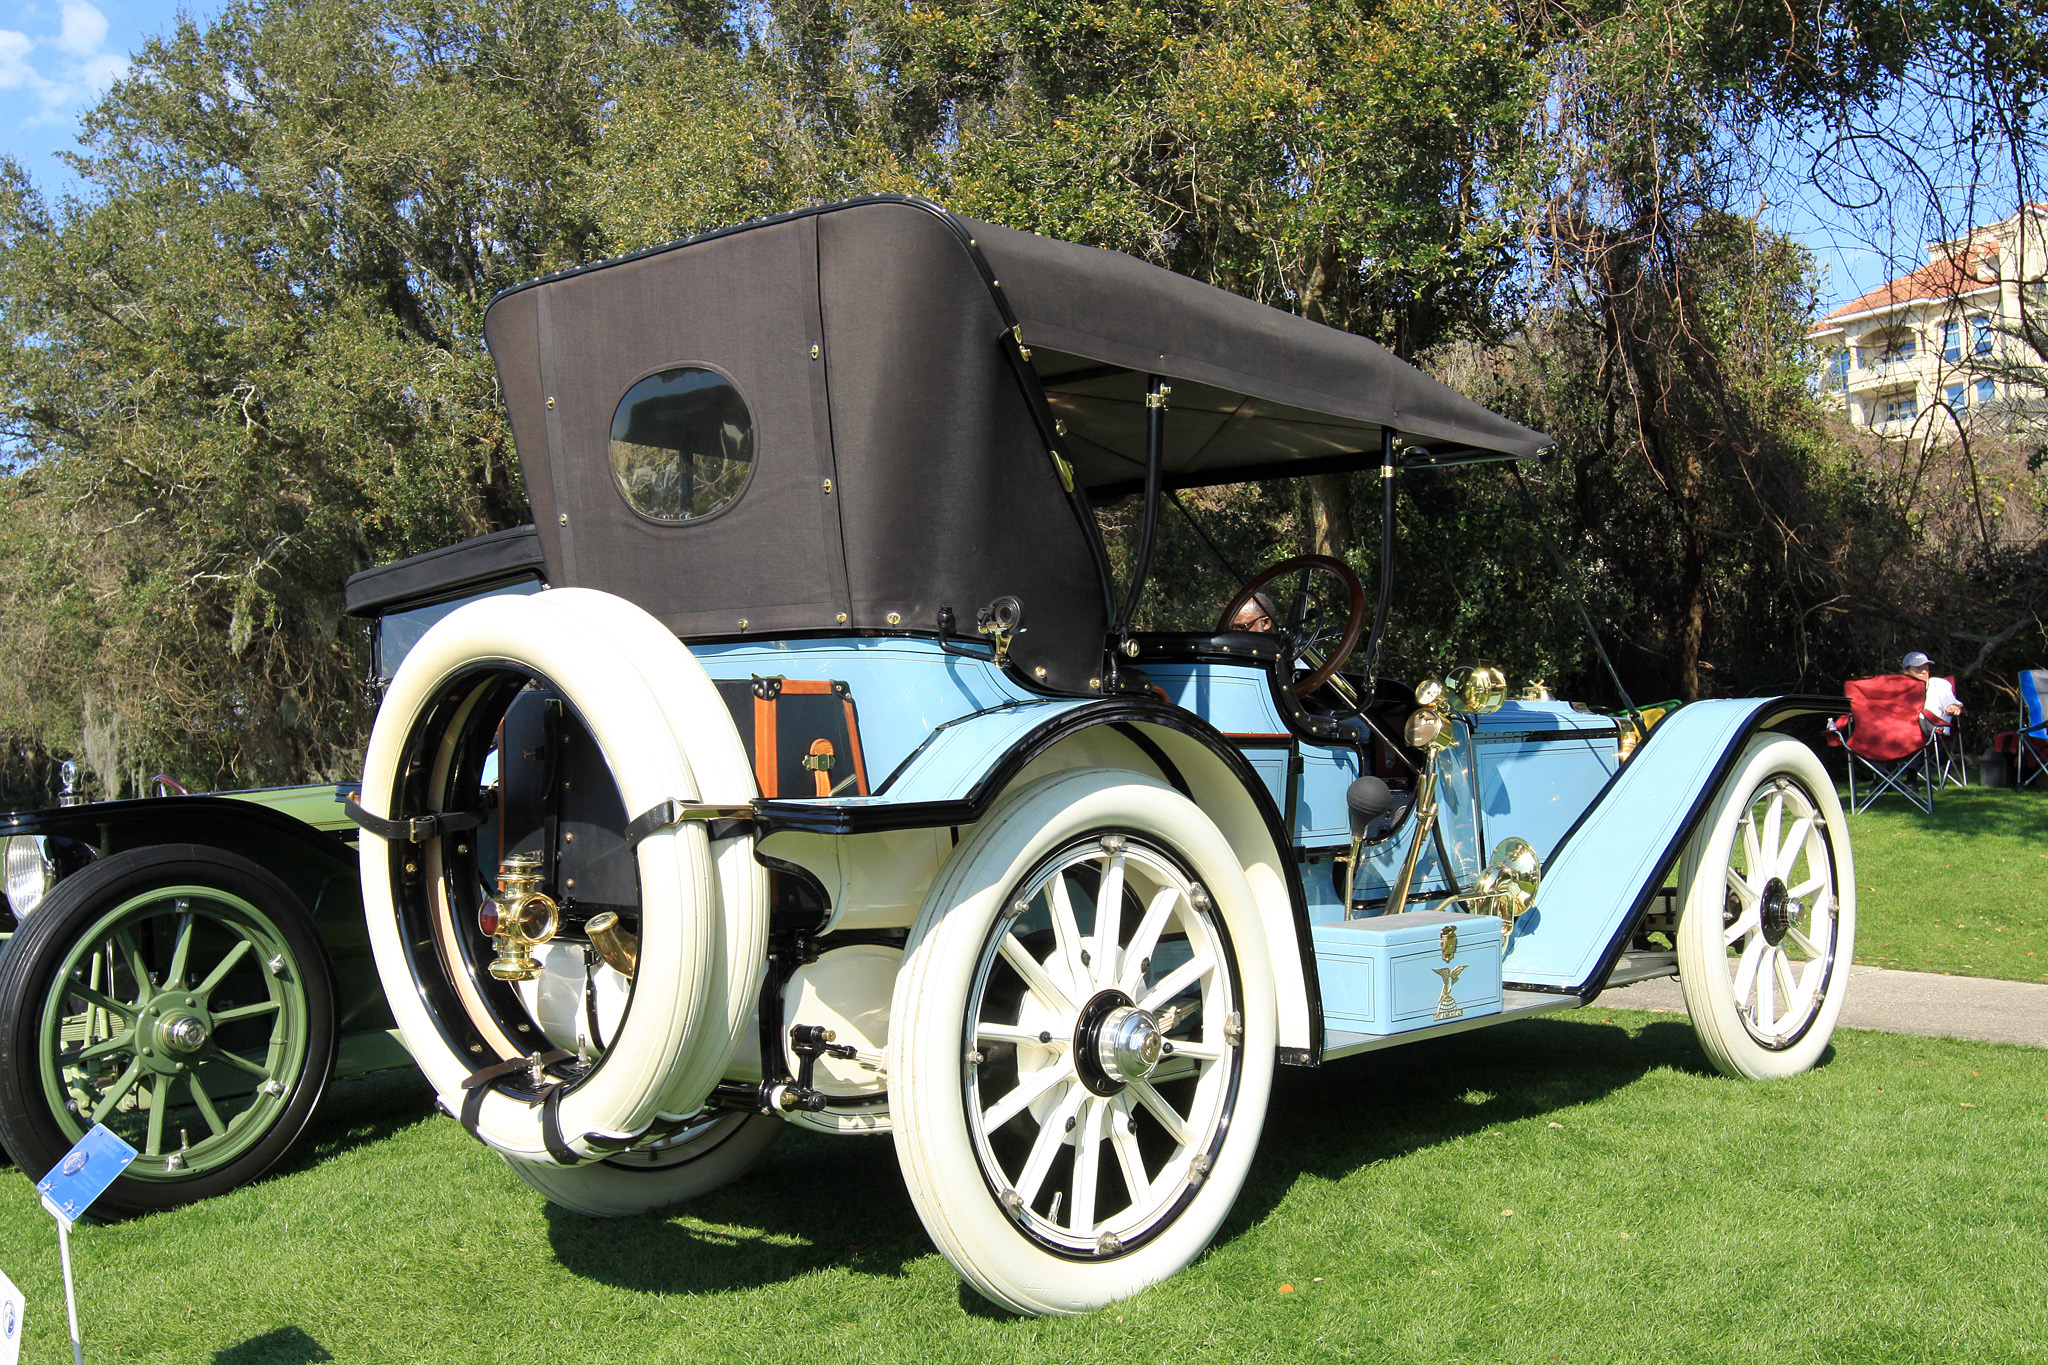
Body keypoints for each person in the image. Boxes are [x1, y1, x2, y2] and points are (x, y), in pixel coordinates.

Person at [1902, 651, 1962, 718]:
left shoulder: (1939, 684)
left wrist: (1952, 706)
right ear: (1906, 671)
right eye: (1918, 668)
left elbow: (1948, 700)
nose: (1924, 671)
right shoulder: (1899, 689)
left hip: (1933, 727)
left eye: (1926, 668)